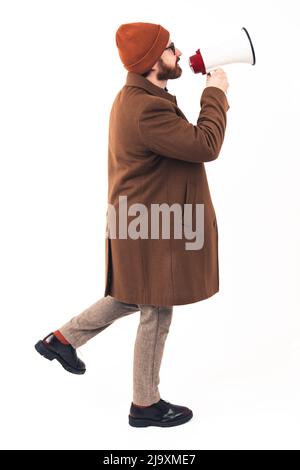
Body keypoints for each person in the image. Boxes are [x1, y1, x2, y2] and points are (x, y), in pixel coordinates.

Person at [35, 22, 230, 428]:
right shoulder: (147, 108)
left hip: (141, 222)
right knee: (156, 309)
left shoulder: (139, 98)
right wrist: (216, 93)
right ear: (151, 61)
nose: (178, 52)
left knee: (130, 296)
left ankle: (62, 340)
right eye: (170, 48)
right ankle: (144, 404)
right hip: (150, 224)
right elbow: (204, 145)